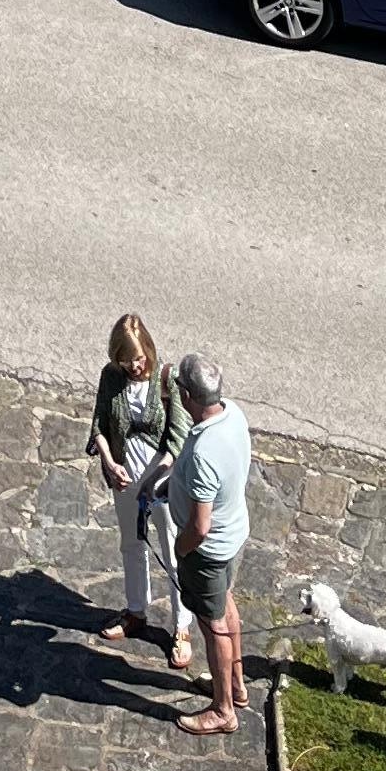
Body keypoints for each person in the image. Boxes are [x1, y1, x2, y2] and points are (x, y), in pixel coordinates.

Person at [88, 314, 192, 668]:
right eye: (125, 360)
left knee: (172, 550)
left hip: (161, 480)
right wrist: (108, 461)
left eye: (137, 358)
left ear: (147, 348)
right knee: (131, 543)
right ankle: (136, 611)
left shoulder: (167, 380)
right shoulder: (111, 377)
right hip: (125, 478)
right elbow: (99, 424)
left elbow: (178, 436)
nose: (133, 366)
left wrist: (155, 479)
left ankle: (181, 627)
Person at [169, 355, 252, 736]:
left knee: (212, 623)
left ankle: (222, 710)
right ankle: (235, 686)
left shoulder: (203, 453)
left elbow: (200, 526)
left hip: (208, 550)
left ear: (188, 396)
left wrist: (181, 549)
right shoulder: (233, 414)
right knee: (226, 603)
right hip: (234, 534)